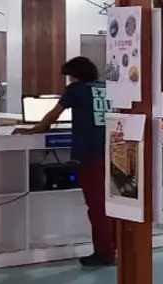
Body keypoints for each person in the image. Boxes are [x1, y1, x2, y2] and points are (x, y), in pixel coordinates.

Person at [25, 57, 113, 267]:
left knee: (97, 206)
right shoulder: (107, 87)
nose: (69, 80)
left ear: (75, 75)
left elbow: (53, 115)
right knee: (112, 205)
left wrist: (35, 129)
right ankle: (115, 249)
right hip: (112, 151)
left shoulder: (76, 90)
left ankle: (104, 253)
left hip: (91, 154)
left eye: (69, 76)